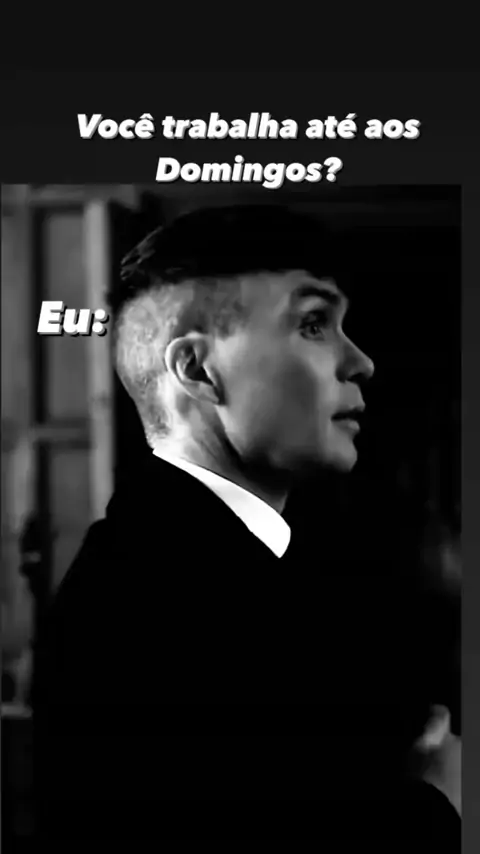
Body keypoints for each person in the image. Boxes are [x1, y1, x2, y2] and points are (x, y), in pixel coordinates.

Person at [32, 204, 460, 844]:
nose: (360, 361)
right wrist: (439, 800)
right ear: (198, 370)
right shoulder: (150, 604)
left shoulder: (245, 559)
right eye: (312, 325)